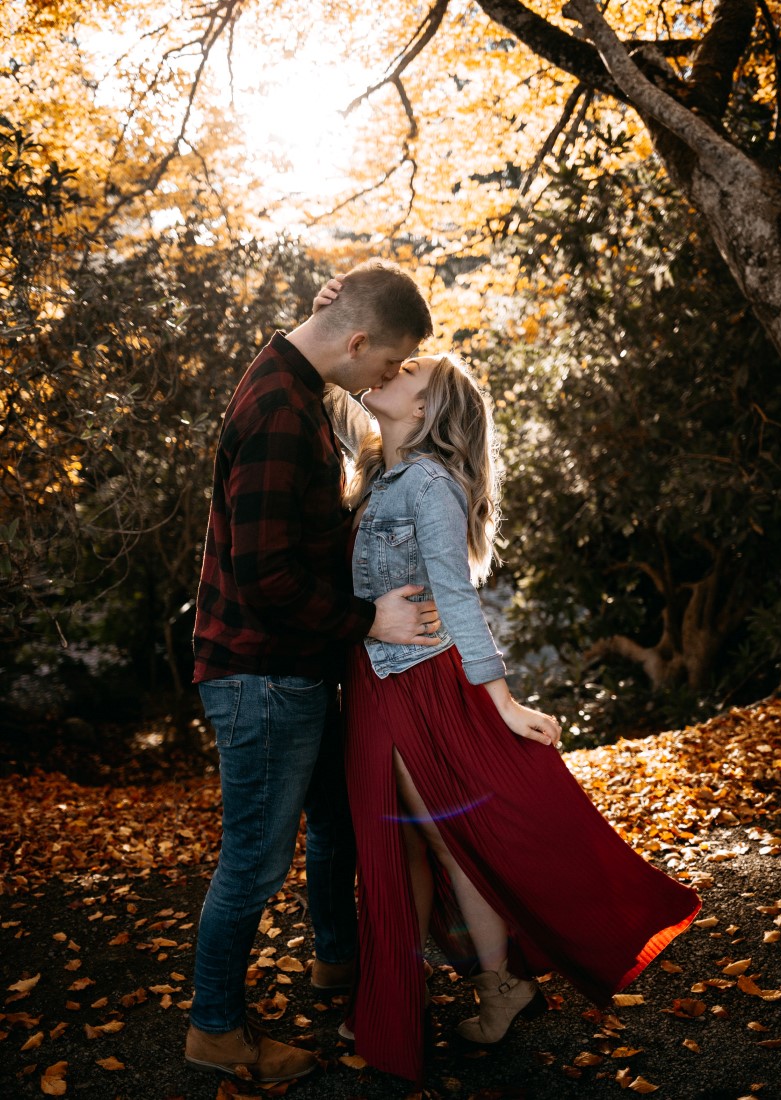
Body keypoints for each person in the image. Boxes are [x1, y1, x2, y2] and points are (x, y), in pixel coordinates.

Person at [313, 287, 702, 1084]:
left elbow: (458, 599)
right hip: (374, 684)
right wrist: (327, 308)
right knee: (403, 844)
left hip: (419, 686)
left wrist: (503, 702)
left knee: (443, 840)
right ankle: (406, 997)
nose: (390, 368)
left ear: (428, 409)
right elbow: (329, 366)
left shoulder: (429, 484)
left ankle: (492, 987)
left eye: (409, 370)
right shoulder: (378, 474)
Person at [185, 260, 440, 1084]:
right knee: (254, 862)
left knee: (336, 820)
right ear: (357, 342)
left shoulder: (295, 380)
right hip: (259, 675)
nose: (385, 380)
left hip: (294, 667)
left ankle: (338, 961)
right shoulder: (280, 411)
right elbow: (265, 574)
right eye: (387, 362)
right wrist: (371, 620)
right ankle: (215, 1030)